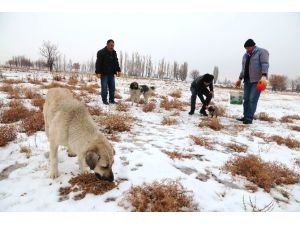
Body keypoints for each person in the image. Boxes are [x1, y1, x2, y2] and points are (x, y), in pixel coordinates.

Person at [235, 39, 269, 124]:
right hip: (247, 80)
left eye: (248, 48)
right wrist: (240, 78)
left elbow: (265, 64)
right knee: (246, 99)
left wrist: (264, 76)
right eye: (246, 48)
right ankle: (245, 116)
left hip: (259, 80)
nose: (247, 50)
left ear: (253, 46)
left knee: (252, 99)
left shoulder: (262, 52)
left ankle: (249, 118)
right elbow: (243, 69)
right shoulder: (245, 55)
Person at [95, 39, 121, 105]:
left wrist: (118, 70)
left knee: (112, 88)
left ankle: (111, 100)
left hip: (111, 74)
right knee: (104, 88)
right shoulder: (101, 52)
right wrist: (97, 72)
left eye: (113, 45)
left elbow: (116, 62)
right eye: (111, 45)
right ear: (107, 44)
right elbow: (98, 63)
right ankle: (104, 100)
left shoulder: (114, 53)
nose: (112, 46)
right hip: (104, 74)